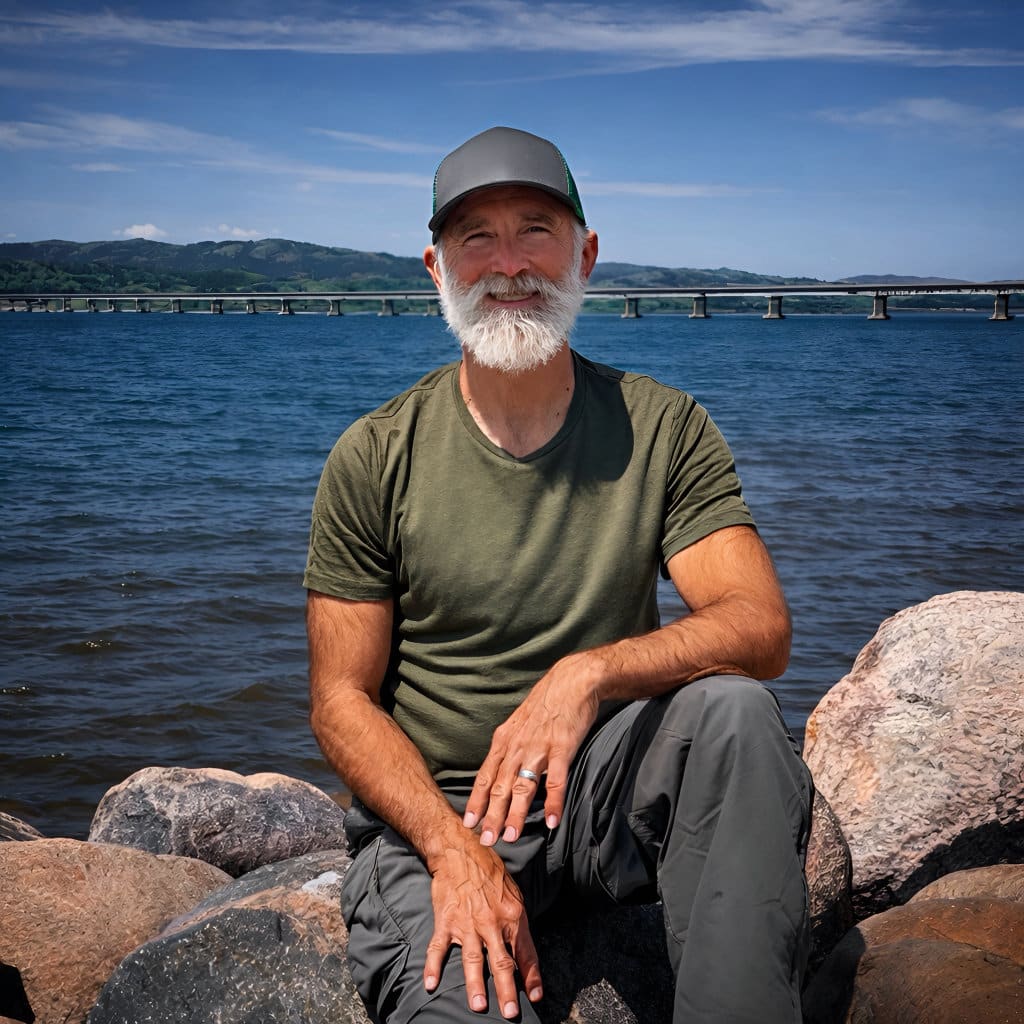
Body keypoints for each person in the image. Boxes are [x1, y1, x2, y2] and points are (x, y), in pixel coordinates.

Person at [304, 126, 813, 1024]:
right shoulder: (375, 453)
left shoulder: (664, 426)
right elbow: (341, 700)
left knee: (730, 712)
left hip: (599, 794)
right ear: (435, 268)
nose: (509, 265)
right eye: (476, 239)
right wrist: (450, 852)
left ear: (585, 252)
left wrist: (589, 674)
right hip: (445, 816)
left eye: (535, 230)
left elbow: (758, 625)